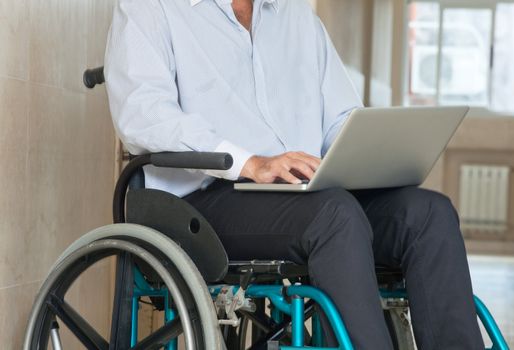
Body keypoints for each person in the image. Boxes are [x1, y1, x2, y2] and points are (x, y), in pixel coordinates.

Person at [104, 0, 484, 348]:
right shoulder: (150, 9)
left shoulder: (297, 17)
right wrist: (251, 162)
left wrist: (371, 154)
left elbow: (340, 118)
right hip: (204, 201)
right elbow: (144, 116)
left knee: (427, 213)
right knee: (335, 217)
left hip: (307, 196)